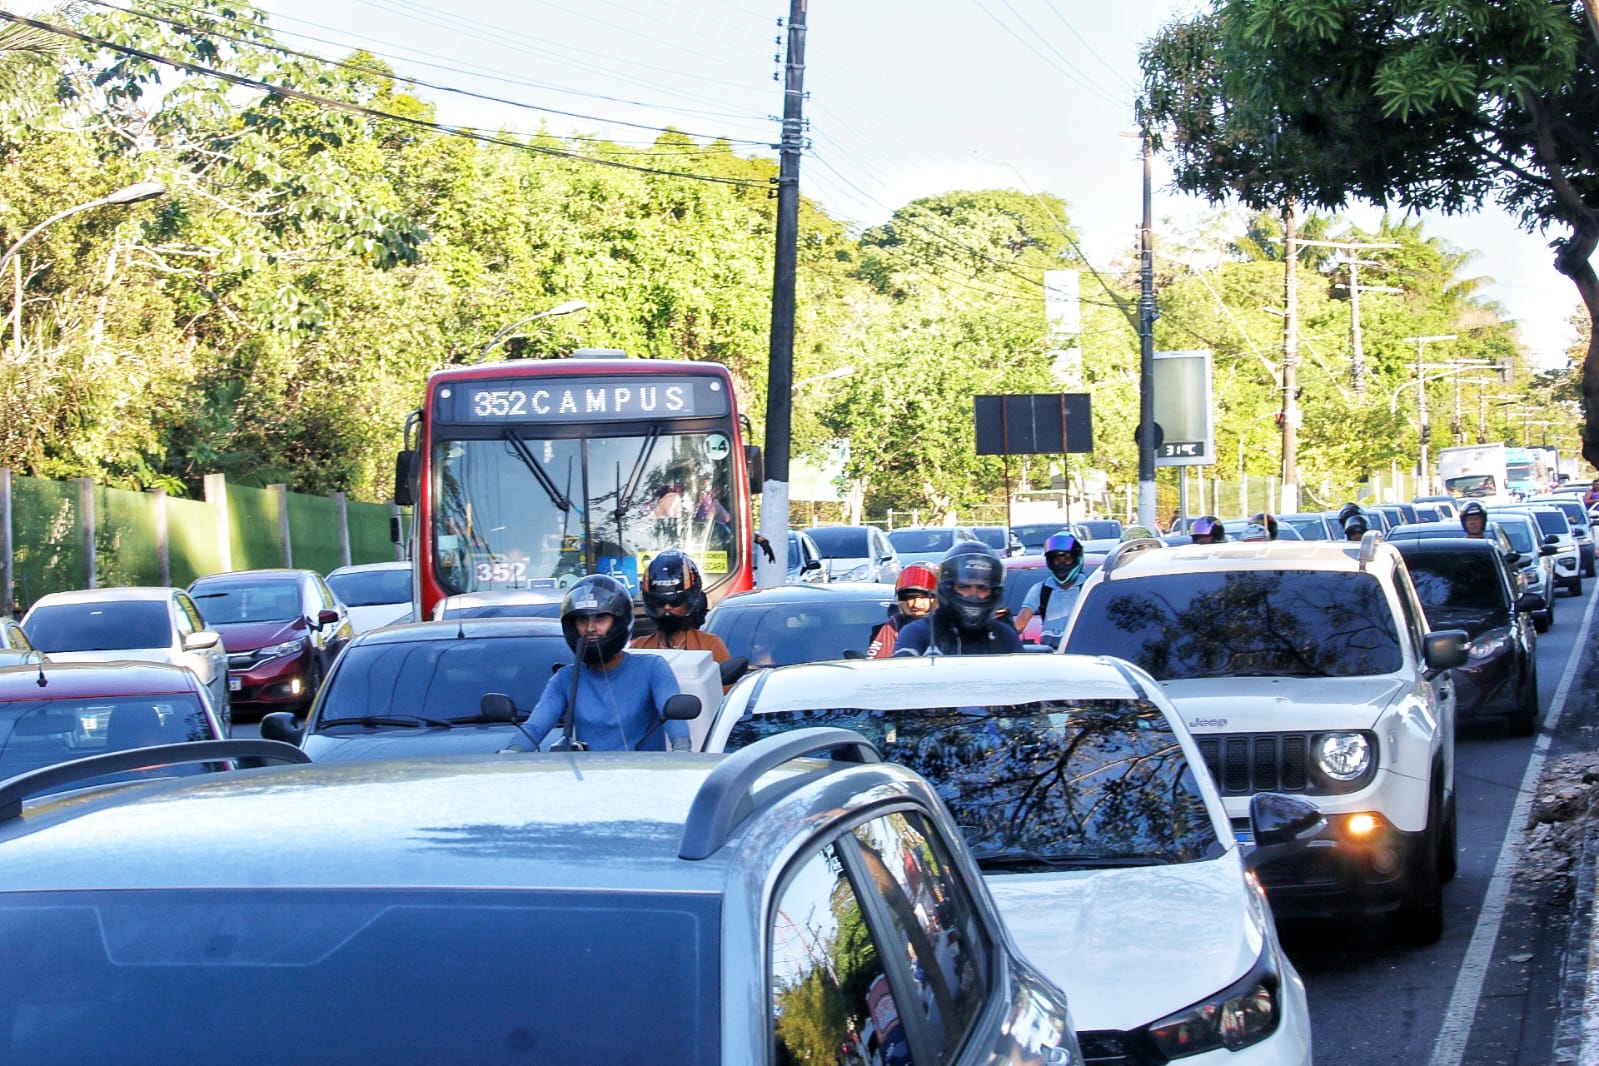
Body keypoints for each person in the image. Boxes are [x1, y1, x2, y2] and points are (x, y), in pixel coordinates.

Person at [526, 574, 688, 751]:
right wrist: (509, 753)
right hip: (588, 776)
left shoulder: (653, 668)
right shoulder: (565, 679)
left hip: (643, 775)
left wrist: (682, 751)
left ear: (619, 621)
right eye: (582, 620)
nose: (590, 628)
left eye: (600, 618)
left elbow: (677, 725)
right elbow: (534, 728)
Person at [893, 541, 1023, 656]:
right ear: (948, 588)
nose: (974, 595)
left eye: (982, 588)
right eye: (964, 587)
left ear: (994, 592)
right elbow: (901, 678)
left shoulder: (1004, 636)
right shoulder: (918, 632)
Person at [631, 549, 733, 686]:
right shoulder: (638, 648)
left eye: (675, 602)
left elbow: (725, 693)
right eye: (660, 602)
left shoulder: (710, 645)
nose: (667, 608)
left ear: (688, 602)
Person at [1014, 532, 1086, 649]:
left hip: (1082, 652)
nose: (1061, 564)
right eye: (1057, 559)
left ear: (1076, 559)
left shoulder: (1088, 588)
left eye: (1067, 558)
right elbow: (1020, 623)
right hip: (1051, 654)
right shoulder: (1040, 589)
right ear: (1050, 562)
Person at [868, 562, 938, 658]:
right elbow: (876, 664)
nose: (916, 604)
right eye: (909, 598)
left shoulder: (952, 624)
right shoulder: (894, 625)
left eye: (924, 597)